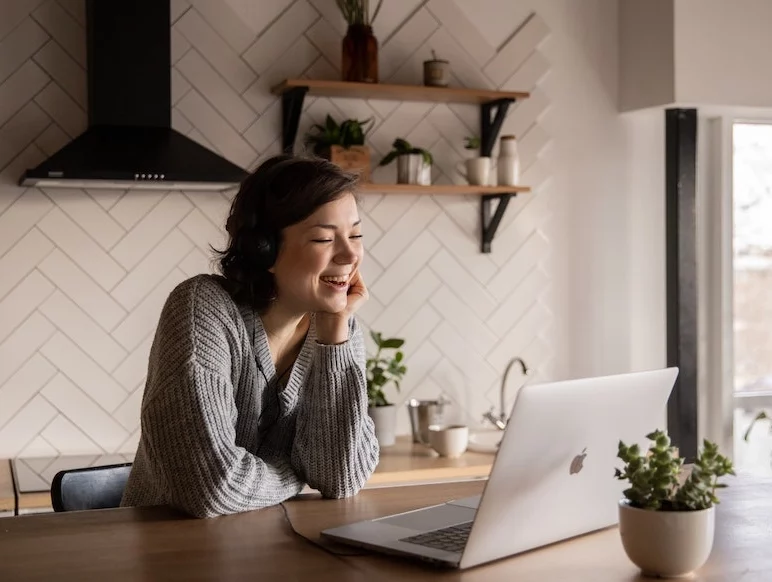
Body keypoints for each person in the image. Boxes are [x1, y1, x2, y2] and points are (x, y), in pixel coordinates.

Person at [120, 154, 380, 518]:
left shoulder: (338, 329)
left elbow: (340, 478)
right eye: (324, 239)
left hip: (270, 552)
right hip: (168, 553)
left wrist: (335, 335)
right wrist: (295, 473)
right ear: (264, 250)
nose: (350, 254)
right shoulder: (203, 307)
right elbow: (210, 487)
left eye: (355, 234)